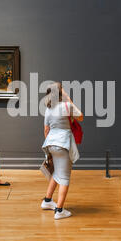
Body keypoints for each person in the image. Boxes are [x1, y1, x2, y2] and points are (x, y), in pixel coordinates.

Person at [41, 83, 83, 220]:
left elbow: (46, 130)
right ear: (60, 93)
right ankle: (59, 210)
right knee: (64, 177)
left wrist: (49, 150)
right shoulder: (66, 106)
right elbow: (81, 116)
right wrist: (68, 97)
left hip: (51, 143)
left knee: (56, 172)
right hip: (63, 144)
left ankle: (47, 201)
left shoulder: (48, 109)